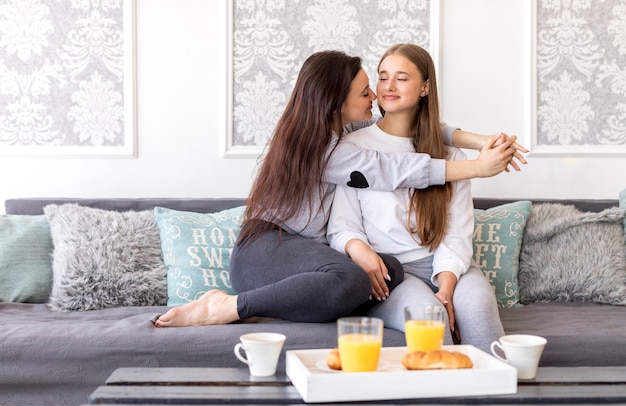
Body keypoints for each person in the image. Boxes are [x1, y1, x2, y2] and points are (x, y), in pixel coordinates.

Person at [154, 50, 526, 328]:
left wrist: (475, 139)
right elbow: (389, 168)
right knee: (352, 277)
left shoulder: (339, 131)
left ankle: (283, 304)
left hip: (304, 255)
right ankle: (227, 306)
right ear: (337, 101)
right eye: (367, 91)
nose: (375, 97)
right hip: (266, 251)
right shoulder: (324, 151)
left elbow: (415, 126)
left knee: (388, 270)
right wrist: (476, 167)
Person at [326, 43, 504, 353]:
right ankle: (444, 398)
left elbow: (457, 235)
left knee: (477, 309)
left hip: (449, 266)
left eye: (401, 78)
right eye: (382, 77)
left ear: (424, 88)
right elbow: (342, 227)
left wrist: (446, 288)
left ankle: (496, 395)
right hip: (391, 273)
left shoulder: (451, 156)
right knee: (429, 319)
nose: (388, 86)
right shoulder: (352, 148)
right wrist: (362, 253)